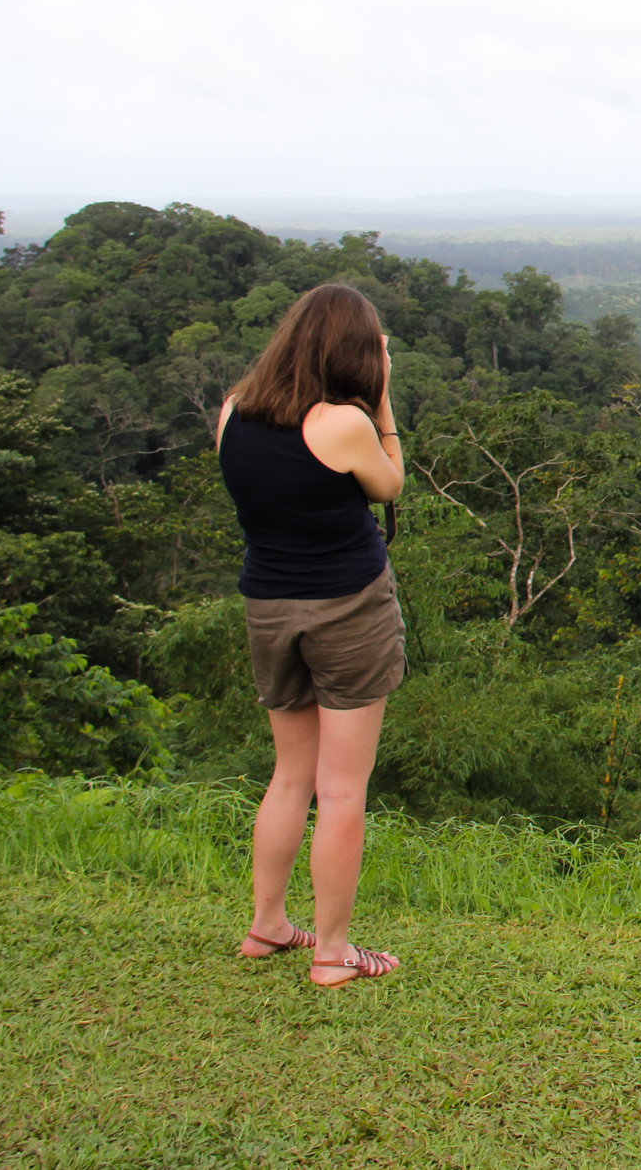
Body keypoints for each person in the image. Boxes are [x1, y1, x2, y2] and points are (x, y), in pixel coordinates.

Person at [216, 284, 407, 989]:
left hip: (267, 604)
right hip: (346, 609)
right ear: (353, 354)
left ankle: (268, 923)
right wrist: (382, 401)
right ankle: (331, 951)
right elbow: (390, 487)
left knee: (290, 775)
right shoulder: (342, 423)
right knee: (343, 787)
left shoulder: (234, 412)